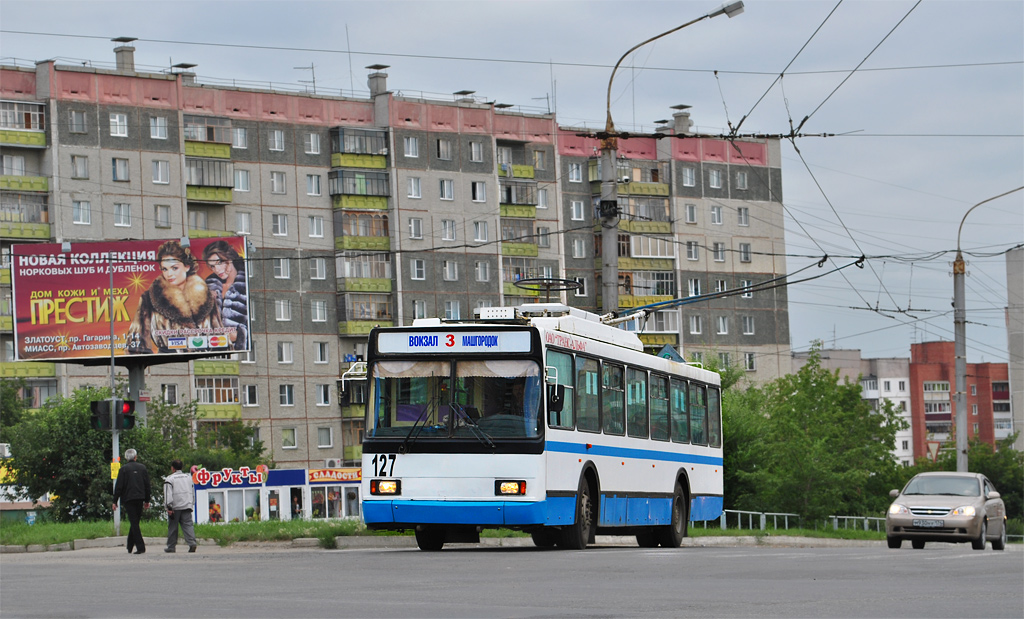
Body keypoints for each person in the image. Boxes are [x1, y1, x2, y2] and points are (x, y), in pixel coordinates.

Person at [126, 240, 222, 354]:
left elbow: (220, 337)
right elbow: (136, 345)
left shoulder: (207, 296)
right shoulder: (149, 299)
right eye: (165, 269)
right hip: (166, 361)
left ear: (187, 266)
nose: (169, 274)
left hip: (203, 359)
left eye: (174, 268)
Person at [201, 240, 248, 350]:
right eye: (212, 266)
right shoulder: (209, 285)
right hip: (214, 348)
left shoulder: (246, 283)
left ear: (229, 258)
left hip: (239, 351)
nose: (216, 270)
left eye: (219, 263)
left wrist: (239, 335)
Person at [112, 448, 151, 554]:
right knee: (135, 522)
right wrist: (147, 500)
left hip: (128, 499)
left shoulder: (123, 469)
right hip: (140, 498)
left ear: (126, 458)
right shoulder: (142, 468)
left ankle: (140, 547)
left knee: (134, 522)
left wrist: (115, 501)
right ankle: (130, 546)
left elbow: (119, 486)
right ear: (135, 457)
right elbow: (147, 485)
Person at [163, 459, 197, 553]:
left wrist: (168, 507)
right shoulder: (188, 478)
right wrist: (191, 503)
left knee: (173, 527)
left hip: (175, 507)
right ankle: (192, 543)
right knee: (188, 525)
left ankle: (171, 547)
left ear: (172, 468)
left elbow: (168, 494)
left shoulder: (170, 479)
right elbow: (192, 492)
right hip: (187, 505)